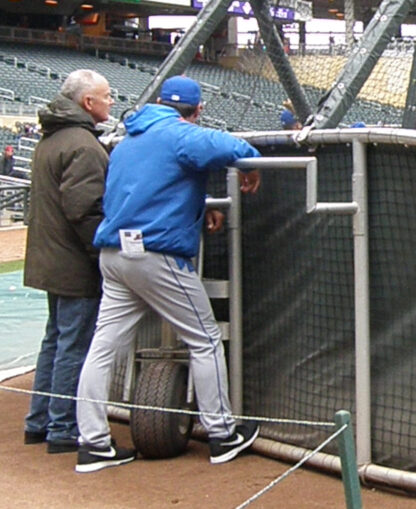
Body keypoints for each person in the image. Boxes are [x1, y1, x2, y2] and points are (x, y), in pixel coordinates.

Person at [76, 75, 261, 473]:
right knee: (206, 339)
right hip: (155, 257)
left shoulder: (129, 139)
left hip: (114, 255)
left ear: (160, 101)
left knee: (102, 347)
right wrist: (248, 164)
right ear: (195, 113)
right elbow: (228, 145)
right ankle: (222, 433)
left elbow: (153, 187)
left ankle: (92, 443)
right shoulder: (179, 133)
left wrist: (198, 208)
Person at [23, 69, 114, 454]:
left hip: (50, 257)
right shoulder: (83, 145)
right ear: (87, 103)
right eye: (106, 96)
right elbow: (85, 210)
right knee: (73, 346)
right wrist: (103, 255)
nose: (112, 101)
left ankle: (39, 422)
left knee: (55, 341)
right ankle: (62, 428)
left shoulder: (53, 138)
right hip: (73, 262)